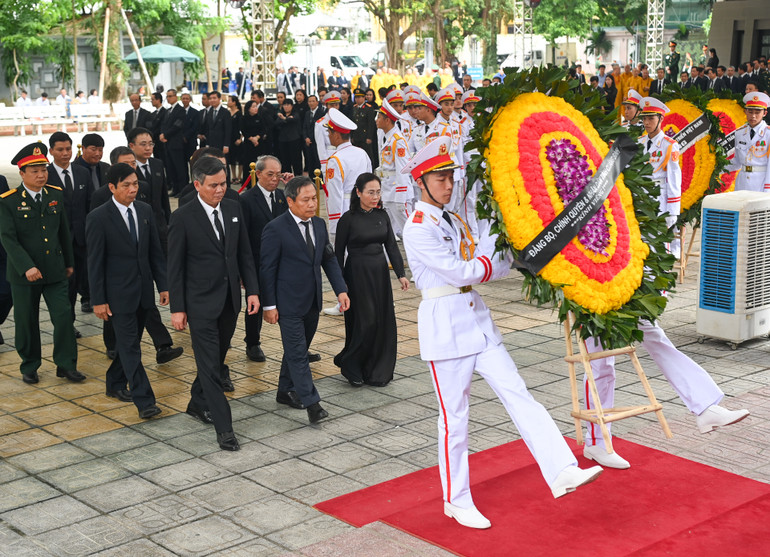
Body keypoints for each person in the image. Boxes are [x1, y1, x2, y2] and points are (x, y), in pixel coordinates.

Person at [402, 137, 602, 529]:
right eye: (440, 178)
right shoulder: (418, 227)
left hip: (476, 320)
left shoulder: (451, 218)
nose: (449, 185)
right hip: (446, 327)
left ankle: (561, 468)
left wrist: (507, 251)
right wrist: (495, 264)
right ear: (421, 182)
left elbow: (483, 257)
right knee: (454, 420)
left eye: (450, 178)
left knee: (519, 394)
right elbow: (461, 271)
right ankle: (456, 499)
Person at [168, 157, 260, 451]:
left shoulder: (234, 208)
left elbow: (244, 253)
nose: (221, 190)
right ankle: (225, 428)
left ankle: (197, 403)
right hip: (199, 304)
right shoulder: (183, 217)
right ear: (198, 185)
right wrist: (178, 308)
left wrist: (253, 292)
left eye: (223, 184)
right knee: (211, 367)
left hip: (230, 301)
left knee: (215, 360)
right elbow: (175, 266)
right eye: (214, 185)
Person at [260, 176, 350, 422]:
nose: (312, 204)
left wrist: (341, 290)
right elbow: (266, 270)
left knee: (297, 350)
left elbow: (329, 259)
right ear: (290, 201)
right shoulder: (275, 229)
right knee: (299, 353)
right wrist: (269, 306)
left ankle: (284, 390)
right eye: (306, 200)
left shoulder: (319, 225)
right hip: (287, 304)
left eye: (314, 198)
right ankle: (313, 404)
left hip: (312, 302)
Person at [86, 163, 166, 419]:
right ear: (112, 187)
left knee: (126, 345)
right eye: (126, 185)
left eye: (135, 184)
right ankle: (145, 401)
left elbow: (154, 252)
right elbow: (95, 263)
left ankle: (115, 382)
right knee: (132, 348)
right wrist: (98, 300)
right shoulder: (98, 217)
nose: (133, 190)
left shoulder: (144, 210)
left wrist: (163, 285)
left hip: (143, 292)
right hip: (117, 296)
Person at [0, 143, 85, 385]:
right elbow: (8, 239)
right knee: (26, 321)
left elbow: (63, 233)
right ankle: (30, 365)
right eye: (35, 171)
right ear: (22, 173)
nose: (41, 175)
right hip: (24, 274)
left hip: (55, 270)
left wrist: (69, 262)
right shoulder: (8, 201)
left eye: (44, 170)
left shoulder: (55, 195)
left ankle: (66, 365)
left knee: (63, 317)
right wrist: (26, 266)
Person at [333, 173, 407, 386]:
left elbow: (391, 246)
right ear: (358, 192)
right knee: (366, 321)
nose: (375, 197)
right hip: (357, 274)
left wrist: (401, 274)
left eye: (378, 192)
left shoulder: (382, 215)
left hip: (379, 274)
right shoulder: (348, 219)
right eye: (370, 192)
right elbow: (337, 254)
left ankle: (376, 368)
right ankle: (351, 364)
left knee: (382, 320)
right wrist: (340, 285)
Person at [239, 155, 302, 362]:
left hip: (283, 261)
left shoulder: (283, 197)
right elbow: (244, 237)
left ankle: (296, 344)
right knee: (255, 303)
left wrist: (291, 186)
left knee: (288, 303)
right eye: (270, 174)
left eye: (278, 174)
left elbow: (295, 220)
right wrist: (243, 270)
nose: (275, 179)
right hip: (257, 262)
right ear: (258, 174)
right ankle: (253, 342)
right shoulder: (247, 200)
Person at [47, 132, 92, 337]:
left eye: (68, 149)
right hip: (58, 242)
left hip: (83, 238)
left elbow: (90, 205)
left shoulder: (82, 172)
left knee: (83, 279)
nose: (65, 153)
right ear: (51, 151)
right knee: (67, 285)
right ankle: (66, 324)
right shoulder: (45, 175)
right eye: (60, 150)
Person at [638, 97, 682, 257]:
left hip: (660, 196)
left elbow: (674, 177)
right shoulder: (640, 142)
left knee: (659, 240)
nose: (647, 122)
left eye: (651, 118)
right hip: (642, 195)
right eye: (644, 118)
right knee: (643, 238)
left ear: (661, 119)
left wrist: (673, 210)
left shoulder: (669, 145)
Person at [375, 98, 412, 239]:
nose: (376, 120)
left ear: (387, 120)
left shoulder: (398, 141)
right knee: (387, 232)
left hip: (397, 192)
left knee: (408, 230)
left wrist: (401, 197)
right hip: (388, 190)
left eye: (379, 117)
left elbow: (402, 170)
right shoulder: (387, 138)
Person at [727, 92, 770, 192]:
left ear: (764, 113)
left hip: (761, 183)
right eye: (750, 112)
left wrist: (768, 189)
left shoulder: (768, 133)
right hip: (742, 182)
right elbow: (737, 162)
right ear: (745, 111)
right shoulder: (739, 133)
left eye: (757, 112)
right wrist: (717, 167)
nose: (753, 116)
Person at [159, 89, 187, 197]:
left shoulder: (180, 110)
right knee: (171, 168)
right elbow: (164, 124)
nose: (168, 98)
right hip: (167, 144)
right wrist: (162, 134)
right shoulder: (168, 110)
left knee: (179, 167)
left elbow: (177, 125)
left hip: (176, 143)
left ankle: (182, 190)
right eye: (167, 96)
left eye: (170, 96)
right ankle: (175, 189)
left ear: (176, 97)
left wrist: (165, 135)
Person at [240, 100, 269, 179]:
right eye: (253, 107)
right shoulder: (244, 118)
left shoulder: (260, 117)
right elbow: (243, 130)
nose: (255, 108)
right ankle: (247, 182)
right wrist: (251, 139)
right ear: (248, 108)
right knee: (248, 162)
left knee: (259, 162)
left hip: (259, 143)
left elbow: (263, 130)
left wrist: (257, 138)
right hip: (248, 143)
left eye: (256, 106)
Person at [275, 98, 304, 175]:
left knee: (296, 160)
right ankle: (287, 177)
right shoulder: (280, 114)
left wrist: (284, 119)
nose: (286, 107)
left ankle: (298, 177)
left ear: (292, 106)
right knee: (285, 161)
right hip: (283, 140)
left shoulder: (295, 114)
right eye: (284, 105)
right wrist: (286, 119)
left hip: (294, 139)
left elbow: (294, 120)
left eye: (288, 105)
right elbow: (277, 123)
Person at [303, 94, 325, 176]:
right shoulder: (307, 113)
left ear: (317, 102)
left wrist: (311, 138)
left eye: (313, 101)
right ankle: (311, 178)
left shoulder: (321, 113)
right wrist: (306, 138)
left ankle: (319, 180)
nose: (311, 103)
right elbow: (304, 127)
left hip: (317, 141)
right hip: (308, 142)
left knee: (317, 161)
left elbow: (319, 128)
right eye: (309, 101)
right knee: (310, 161)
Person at [227, 95, 244, 183]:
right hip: (230, 138)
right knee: (231, 158)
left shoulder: (239, 113)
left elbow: (242, 128)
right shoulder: (228, 113)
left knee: (240, 158)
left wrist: (241, 138)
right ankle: (233, 176)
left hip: (237, 138)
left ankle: (239, 176)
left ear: (234, 102)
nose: (228, 102)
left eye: (229, 100)